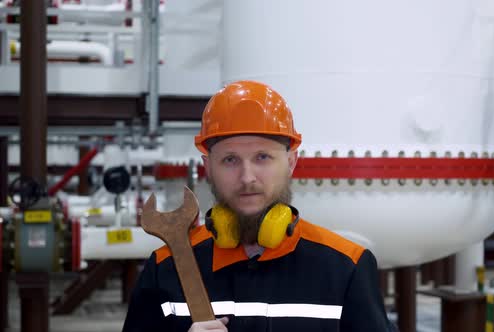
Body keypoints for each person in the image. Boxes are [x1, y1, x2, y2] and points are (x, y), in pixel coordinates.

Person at [122, 80, 397, 332]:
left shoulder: (346, 266)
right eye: (230, 160)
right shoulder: (165, 268)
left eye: (262, 157)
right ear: (208, 168)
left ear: (291, 162)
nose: (247, 177)